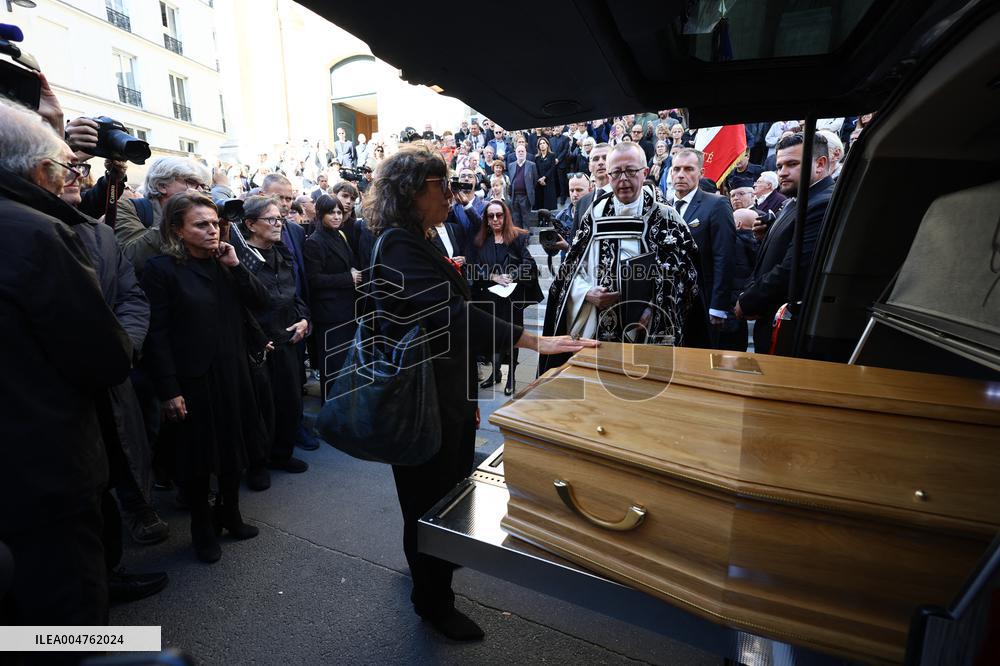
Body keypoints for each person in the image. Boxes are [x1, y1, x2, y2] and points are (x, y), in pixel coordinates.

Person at [363, 144, 597, 641]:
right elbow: (450, 315)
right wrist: (534, 339)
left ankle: (430, 565)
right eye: (441, 186)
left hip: (443, 390)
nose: (452, 195)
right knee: (430, 498)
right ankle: (432, 601)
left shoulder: (415, 237)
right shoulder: (400, 244)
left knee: (439, 495)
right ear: (411, 191)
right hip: (424, 398)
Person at [0, 97, 133, 637]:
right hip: (46, 472)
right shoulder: (36, 232)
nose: (71, 178)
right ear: (40, 170)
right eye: (67, 167)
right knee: (66, 626)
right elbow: (103, 356)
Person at [141, 191, 271, 562]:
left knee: (234, 448)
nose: (213, 230)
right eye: (201, 224)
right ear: (177, 230)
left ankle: (230, 513)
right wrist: (168, 390)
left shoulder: (224, 262)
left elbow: (262, 302)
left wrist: (236, 265)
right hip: (193, 380)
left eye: (215, 223)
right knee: (198, 458)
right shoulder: (161, 270)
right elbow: (156, 335)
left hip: (234, 373)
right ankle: (202, 528)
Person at [541, 142, 700, 373]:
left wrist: (655, 308)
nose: (623, 178)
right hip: (596, 324)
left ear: (645, 172)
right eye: (616, 172)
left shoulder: (666, 217)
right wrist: (586, 292)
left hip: (646, 329)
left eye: (631, 171)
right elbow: (571, 269)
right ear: (608, 174)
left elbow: (685, 275)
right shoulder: (594, 215)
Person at [735, 132, 835, 354]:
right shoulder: (796, 201)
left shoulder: (822, 204)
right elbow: (773, 256)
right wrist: (766, 236)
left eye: (792, 164)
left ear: (820, 164)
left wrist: (749, 300)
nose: (782, 172)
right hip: (769, 322)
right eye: (779, 166)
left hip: (789, 328)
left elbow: (793, 269)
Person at [239, 195, 312, 480]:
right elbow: (241, 305)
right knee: (261, 409)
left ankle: (282, 455)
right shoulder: (241, 260)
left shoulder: (283, 252)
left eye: (279, 219)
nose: (278, 224)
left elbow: (295, 294)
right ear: (250, 224)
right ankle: (257, 465)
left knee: (290, 403)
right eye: (271, 219)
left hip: (289, 341)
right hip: (260, 347)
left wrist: (305, 319)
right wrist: (256, 339)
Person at [470, 199, 543, 395]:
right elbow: (474, 268)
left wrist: (512, 275)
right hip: (490, 298)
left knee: (513, 337)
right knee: (493, 337)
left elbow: (529, 264)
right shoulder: (480, 241)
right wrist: (493, 276)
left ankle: (511, 376)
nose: (495, 219)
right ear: (486, 219)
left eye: (499, 215)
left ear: (505, 216)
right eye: (491, 216)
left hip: (511, 300)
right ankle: (495, 374)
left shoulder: (516, 238)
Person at [669, 148, 740, 349]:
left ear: (701, 173)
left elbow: (724, 257)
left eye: (688, 169)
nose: (681, 174)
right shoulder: (665, 207)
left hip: (703, 302)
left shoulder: (716, 204)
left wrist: (718, 305)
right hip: (671, 303)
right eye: (676, 169)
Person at [304, 194, 362, 401]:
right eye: (332, 212)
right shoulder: (315, 242)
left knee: (347, 367)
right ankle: (332, 415)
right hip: (330, 315)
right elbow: (314, 279)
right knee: (334, 369)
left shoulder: (340, 235)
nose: (337, 216)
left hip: (347, 310)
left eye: (339, 212)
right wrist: (348, 277)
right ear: (321, 215)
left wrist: (352, 270)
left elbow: (348, 263)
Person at [507, 144, 536, 228]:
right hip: (514, 196)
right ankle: (518, 239)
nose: (520, 153)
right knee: (516, 219)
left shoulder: (531, 165)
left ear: (526, 153)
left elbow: (534, 181)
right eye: (518, 151)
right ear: (515, 153)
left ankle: (526, 238)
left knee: (526, 219)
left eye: (522, 151)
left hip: (525, 196)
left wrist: (529, 191)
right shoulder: (511, 165)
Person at [533, 136, 558, 211]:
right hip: (539, 183)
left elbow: (552, 168)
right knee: (540, 205)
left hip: (549, 182)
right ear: (538, 146)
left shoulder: (552, 155)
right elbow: (536, 170)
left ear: (547, 144)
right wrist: (540, 179)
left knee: (549, 205)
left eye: (544, 143)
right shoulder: (537, 157)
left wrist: (544, 178)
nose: (542, 145)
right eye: (540, 144)